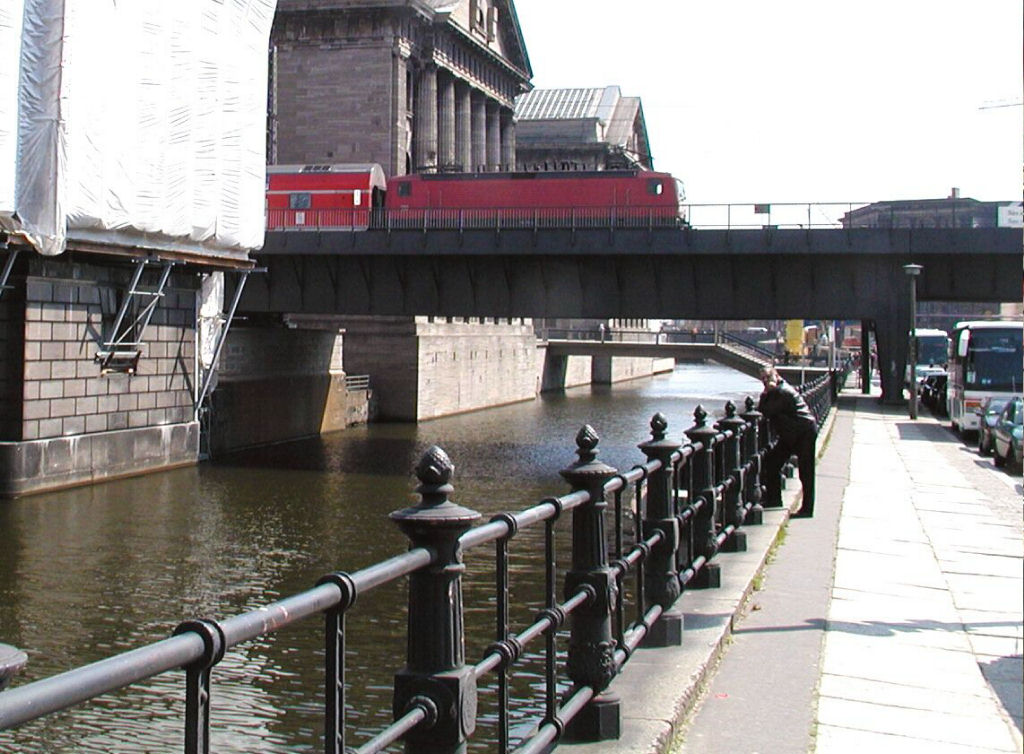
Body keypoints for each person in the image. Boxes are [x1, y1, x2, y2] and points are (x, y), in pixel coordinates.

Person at [757, 365, 818, 517]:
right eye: (763, 379)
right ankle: (774, 499)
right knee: (772, 462)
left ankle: (807, 509)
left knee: (806, 472)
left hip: (803, 432)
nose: (765, 381)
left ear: (776, 376)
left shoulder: (782, 392)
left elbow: (765, 409)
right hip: (790, 434)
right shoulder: (778, 390)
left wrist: (765, 393)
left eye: (768, 377)